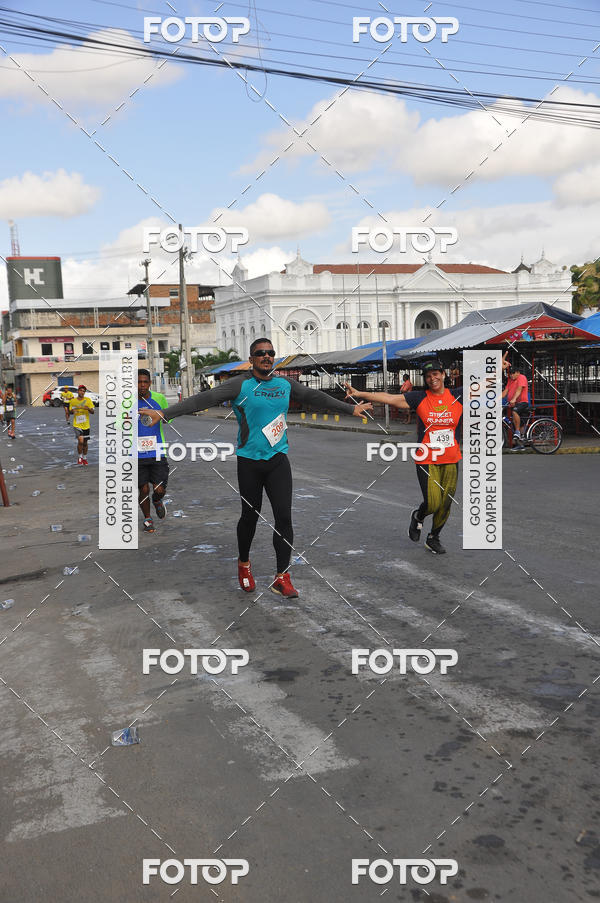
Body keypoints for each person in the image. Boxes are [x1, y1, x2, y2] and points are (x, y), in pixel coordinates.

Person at [139, 338, 372, 597]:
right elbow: (204, 399)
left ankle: (282, 576)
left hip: (278, 460)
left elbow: (314, 396)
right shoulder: (241, 385)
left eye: (271, 353)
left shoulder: (285, 384)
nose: (267, 356)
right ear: (251, 359)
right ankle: (244, 563)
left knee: (284, 517)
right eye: (261, 353)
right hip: (249, 462)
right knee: (250, 516)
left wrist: (351, 408)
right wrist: (164, 413)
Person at [345, 359, 462, 555]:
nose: (432, 378)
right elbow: (388, 398)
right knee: (433, 502)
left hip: (451, 458)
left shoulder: (457, 395)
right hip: (426, 458)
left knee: (446, 502)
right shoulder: (419, 397)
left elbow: (482, 386)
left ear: (443, 374)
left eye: (435, 374)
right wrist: (360, 393)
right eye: (428, 376)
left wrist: (496, 371)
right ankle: (418, 516)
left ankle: (434, 537)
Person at [137, 369, 170, 534]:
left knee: (159, 488)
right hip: (136, 453)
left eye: (145, 382)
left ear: (150, 383)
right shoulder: (126, 402)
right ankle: (148, 519)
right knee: (142, 488)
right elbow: (119, 425)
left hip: (157, 450)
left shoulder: (159, 399)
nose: (142, 385)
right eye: (138, 382)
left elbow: (168, 418)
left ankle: (157, 501)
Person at [502, 361, 530, 444]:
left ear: (518, 373)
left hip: (522, 402)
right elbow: (505, 391)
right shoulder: (510, 380)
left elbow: (519, 390)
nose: (511, 375)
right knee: (516, 421)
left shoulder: (522, 377)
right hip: (513, 403)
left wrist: (514, 399)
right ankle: (520, 443)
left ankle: (517, 432)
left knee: (515, 411)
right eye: (510, 374)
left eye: (513, 373)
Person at [67, 385, 94, 465]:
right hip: (77, 424)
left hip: (86, 425)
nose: (82, 392)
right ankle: (79, 457)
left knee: (85, 443)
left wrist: (88, 409)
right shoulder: (73, 401)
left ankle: (84, 458)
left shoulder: (88, 400)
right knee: (81, 441)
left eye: (83, 391)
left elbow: (92, 412)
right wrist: (72, 411)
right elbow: (70, 412)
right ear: (78, 391)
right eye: (81, 390)